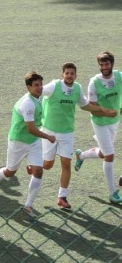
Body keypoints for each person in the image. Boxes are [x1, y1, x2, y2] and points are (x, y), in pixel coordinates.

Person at [36, 63, 116, 209]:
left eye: (72, 73)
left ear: (75, 76)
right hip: (49, 132)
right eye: (67, 73)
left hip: (67, 132)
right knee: (47, 165)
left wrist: (104, 110)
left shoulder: (77, 88)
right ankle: (34, 164)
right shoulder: (54, 86)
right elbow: (38, 91)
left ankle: (62, 197)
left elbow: (85, 105)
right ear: (62, 75)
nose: (69, 76)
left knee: (66, 163)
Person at [0, 72, 56, 219]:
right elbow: (31, 128)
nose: (39, 88)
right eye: (36, 85)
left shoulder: (39, 98)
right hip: (18, 142)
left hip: (33, 142)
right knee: (10, 172)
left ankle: (28, 206)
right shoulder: (28, 103)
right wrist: (48, 136)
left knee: (38, 171)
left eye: (40, 84)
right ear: (28, 87)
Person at [74, 52, 122, 204]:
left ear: (112, 64)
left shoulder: (119, 77)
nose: (104, 67)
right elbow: (91, 107)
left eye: (106, 64)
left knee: (103, 153)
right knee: (109, 156)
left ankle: (81, 156)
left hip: (115, 121)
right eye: (101, 65)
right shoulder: (94, 82)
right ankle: (113, 193)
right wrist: (106, 112)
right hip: (100, 122)